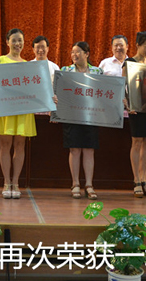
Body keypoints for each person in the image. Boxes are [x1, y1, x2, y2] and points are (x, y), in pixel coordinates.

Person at [0, 28, 36, 199]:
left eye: (20, 40)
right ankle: (6, 182)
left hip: (22, 109)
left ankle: (16, 182)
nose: (17, 43)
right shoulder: (0, 60)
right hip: (4, 109)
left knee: (20, 145)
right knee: (5, 144)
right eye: (14, 40)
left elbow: (33, 88)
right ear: (7, 42)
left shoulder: (28, 64)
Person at [59, 42, 103, 200]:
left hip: (91, 115)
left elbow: (103, 93)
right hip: (72, 115)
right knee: (75, 149)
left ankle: (89, 185)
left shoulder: (97, 71)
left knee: (89, 149)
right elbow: (59, 91)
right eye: (72, 52)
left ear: (87, 54)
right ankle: (75, 183)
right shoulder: (66, 70)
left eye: (78, 52)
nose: (74, 55)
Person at [123, 32, 146, 198]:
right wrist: (127, 104)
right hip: (135, 109)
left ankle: (144, 179)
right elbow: (123, 86)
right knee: (137, 142)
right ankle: (136, 180)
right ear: (137, 45)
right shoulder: (129, 63)